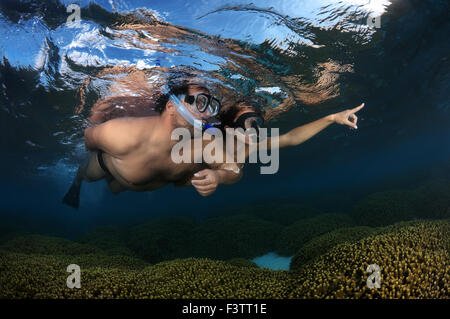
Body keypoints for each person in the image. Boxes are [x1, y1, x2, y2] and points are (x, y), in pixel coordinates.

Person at [62, 82, 242, 209]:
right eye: (200, 104)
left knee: (116, 188)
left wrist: (218, 176)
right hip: (106, 166)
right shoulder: (123, 134)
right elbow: (85, 138)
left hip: (135, 181)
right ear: (172, 106)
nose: (207, 114)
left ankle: (118, 184)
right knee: (88, 176)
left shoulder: (205, 142)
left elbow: (234, 171)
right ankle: (77, 180)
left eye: (211, 107)